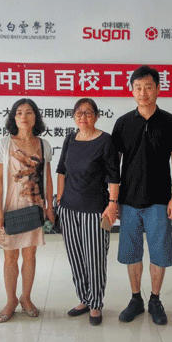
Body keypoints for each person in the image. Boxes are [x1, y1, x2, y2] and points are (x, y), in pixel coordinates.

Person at [112, 65, 172, 325]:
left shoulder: (170, 121)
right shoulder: (123, 123)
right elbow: (114, 165)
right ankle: (136, 299)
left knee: (159, 253)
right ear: (131, 90)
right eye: (138, 88)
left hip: (160, 200)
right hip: (129, 201)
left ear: (158, 89)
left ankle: (155, 299)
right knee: (132, 253)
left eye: (148, 87)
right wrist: (113, 200)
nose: (143, 93)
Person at [56, 98, 120, 326]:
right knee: (76, 258)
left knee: (95, 259)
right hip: (69, 209)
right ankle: (84, 298)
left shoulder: (105, 141)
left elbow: (114, 176)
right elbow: (61, 171)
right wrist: (59, 201)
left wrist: (112, 204)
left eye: (88, 113)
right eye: (79, 113)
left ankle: (95, 303)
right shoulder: (70, 139)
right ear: (74, 116)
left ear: (96, 116)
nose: (83, 117)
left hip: (95, 210)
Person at [0, 99, 54, 322]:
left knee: (30, 256)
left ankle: (26, 298)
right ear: (13, 118)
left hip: (34, 206)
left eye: (29, 112)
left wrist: (49, 207)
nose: (24, 117)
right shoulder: (4, 145)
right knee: (10, 257)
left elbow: (48, 178)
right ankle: (10, 300)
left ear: (35, 117)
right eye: (19, 113)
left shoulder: (44, 145)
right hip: (11, 206)